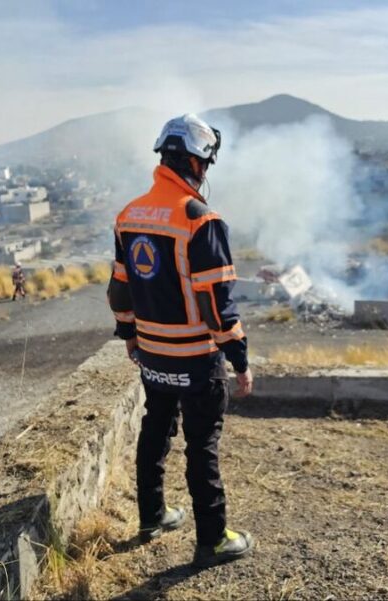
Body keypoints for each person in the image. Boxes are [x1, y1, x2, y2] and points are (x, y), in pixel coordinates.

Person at [108, 113, 255, 568]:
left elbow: (120, 289)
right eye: (206, 163)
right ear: (195, 161)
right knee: (201, 444)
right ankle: (212, 539)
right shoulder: (200, 218)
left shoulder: (129, 215)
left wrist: (130, 335)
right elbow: (216, 304)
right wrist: (240, 359)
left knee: (155, 427)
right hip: (195, 357)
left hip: (153, 353)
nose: (206, 172)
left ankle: (152, 515)